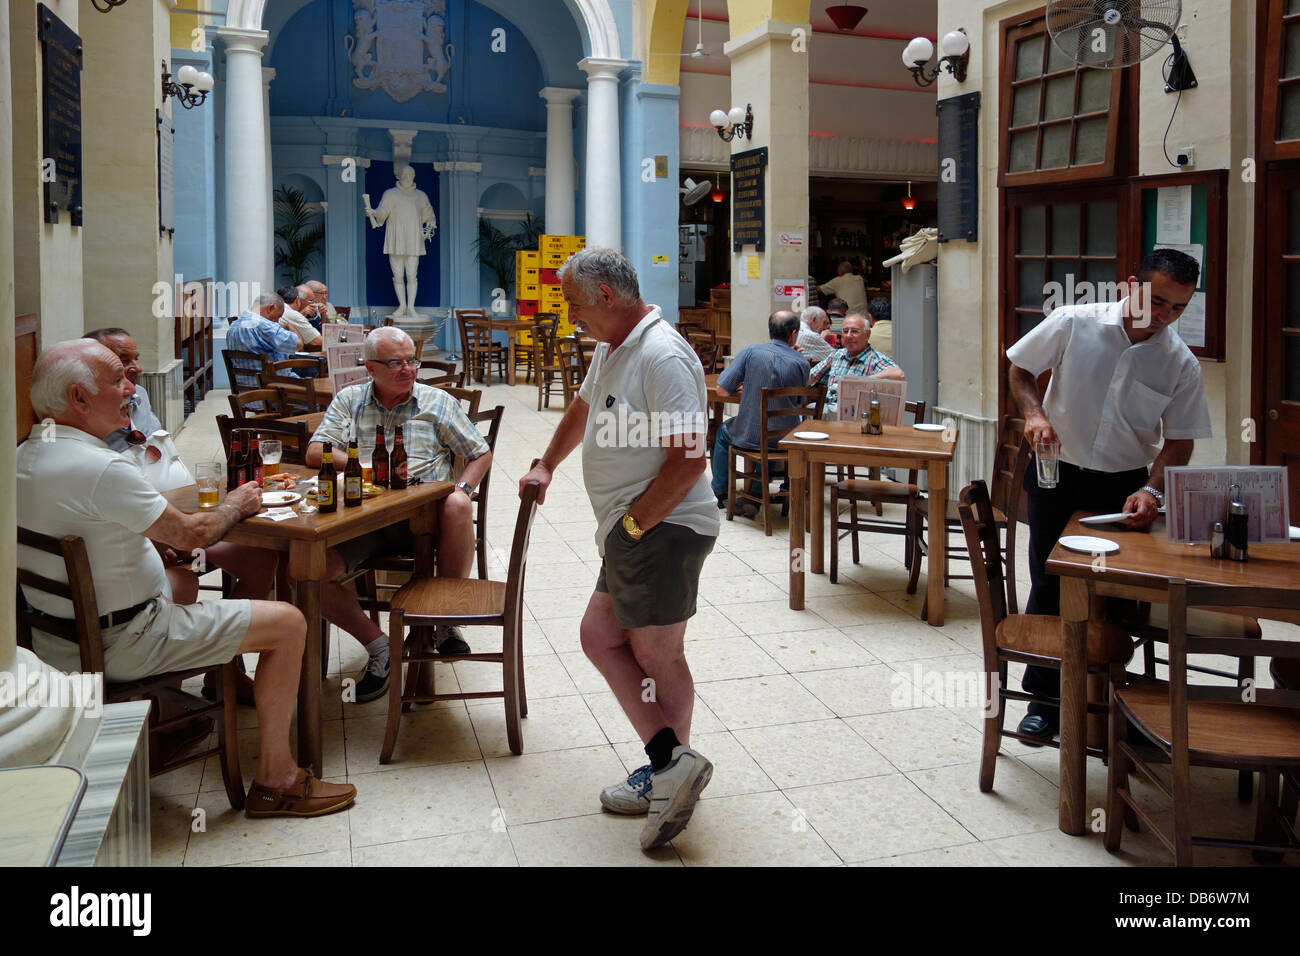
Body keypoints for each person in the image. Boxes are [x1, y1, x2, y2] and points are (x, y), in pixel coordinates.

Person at [18, 340, 355, 817]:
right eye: (118, 380)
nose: (132, 388)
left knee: (199, 579)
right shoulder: (100, 467)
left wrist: (156, 542)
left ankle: (183, 716)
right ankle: (276, 779)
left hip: (57, 641)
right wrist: (236, 504)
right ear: (78, 397)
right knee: (289, 622)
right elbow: (195, 532)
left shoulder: (25, 458)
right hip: (128, 638)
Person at [519, 248, 718, 851]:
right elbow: (582, 409)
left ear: (606, 296)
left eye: (575, 304)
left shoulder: (660, 356)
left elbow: (689, 459)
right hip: (633, 530)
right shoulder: (612, 347)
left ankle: (668, 777)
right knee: (599, 636)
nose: (570, 315)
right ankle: (669, 763)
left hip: (662, 528)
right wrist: (545, 462)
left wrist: (634, 526)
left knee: (657, 655)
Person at [1006, 248, 1211, 743]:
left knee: (1118, 592)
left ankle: (1118, 702)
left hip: (1122, 486)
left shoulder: (1178, 362)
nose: (1163, 317)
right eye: (1157, 301)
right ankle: (1045, 701)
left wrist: (1151, 491)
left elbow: (1179, 440)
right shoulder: (1074, 321)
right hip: (1058, 471)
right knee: (1052, 582)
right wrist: (1034, 414)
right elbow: (1019, 370)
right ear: (1130, 283)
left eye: (1177, 309)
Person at [85, 327, 276, 705]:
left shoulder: (135, 396)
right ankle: (169, 705)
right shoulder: (91, 426)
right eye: (122, 363)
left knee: (261, 558)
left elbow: (154, 451)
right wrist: (158, 539)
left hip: (180, 522)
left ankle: (224, 671)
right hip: (149, 536)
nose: (135, 369)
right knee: (185, 582)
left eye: (134, 358)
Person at [304, 326, 492, 702]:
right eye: (396, 363)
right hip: (365, 520)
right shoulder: (350, 400)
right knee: (309, 572)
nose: (408, 369)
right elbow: (315, 452)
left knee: (457, 503)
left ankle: (443, 620)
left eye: (412, 361)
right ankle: (380, 648)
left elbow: (479, 453)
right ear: (371, 367)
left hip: (425, 520)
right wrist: (370, 470)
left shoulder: (436, 402)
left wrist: (464, 489)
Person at [711, 311, 811, 515]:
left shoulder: (751, 352)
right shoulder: (802, 362)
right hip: (787, 438)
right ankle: (756, 492)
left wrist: (746, 385)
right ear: (793, 334)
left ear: (769, 330)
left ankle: (720, 491)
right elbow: (800, 401)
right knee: (768, 430)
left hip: (753, 435)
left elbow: (722, 390)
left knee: (724, 432)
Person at [363, 166, 436, 318]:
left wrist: (430, 224)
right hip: (395, 239)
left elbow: (429, 214)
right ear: (399, 176)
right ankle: (402, 307)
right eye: (404, 174)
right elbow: (382, 213)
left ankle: (411, 308)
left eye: (410, 174)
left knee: (411, 275)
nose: (407, 176)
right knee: (397, 276)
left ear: (414, 176)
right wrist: (373, 212)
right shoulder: (390, 194)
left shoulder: (420, 196)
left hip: (414, 240)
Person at [808, 312, 905, 415]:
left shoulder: (874, 358)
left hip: (853, 415)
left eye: (855, 331)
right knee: (807, 411)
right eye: (845, 331)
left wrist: (863, 381)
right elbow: (811, 377)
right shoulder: (837, 355)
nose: (849, 336)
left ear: (867, 335)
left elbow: (899, 374)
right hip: (827, 409)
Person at [225, 292, 301, 374]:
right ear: (270, 308)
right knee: (311, 368)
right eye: (278, 316)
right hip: (273, 382)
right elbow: (299, 345)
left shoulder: (233, 326)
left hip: (243, 383)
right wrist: (291, 327)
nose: (277, 321)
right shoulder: (265, 326)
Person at [276, 285, 323, 351]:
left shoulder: (280, 308)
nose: (314, 304)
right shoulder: (292, 313)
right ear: (297, 300)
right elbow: (318, 341)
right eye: (311, 301)